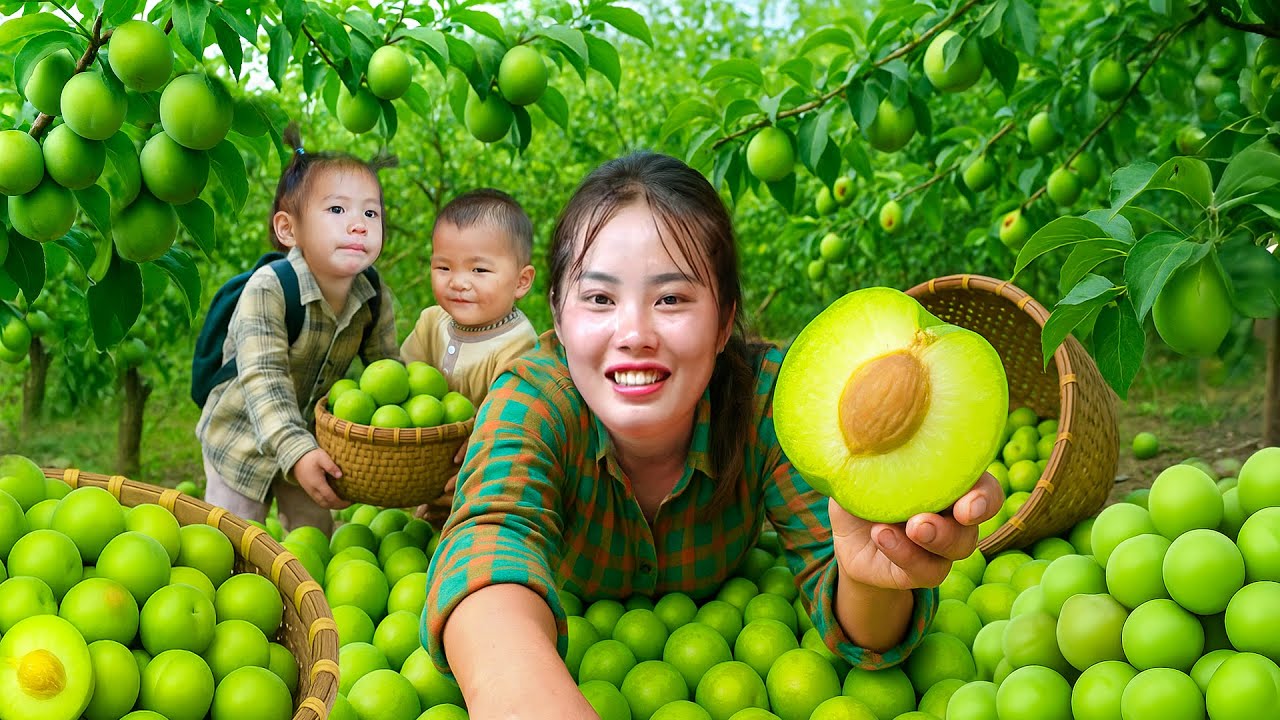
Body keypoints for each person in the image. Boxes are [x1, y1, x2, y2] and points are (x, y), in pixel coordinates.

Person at [421, 151, 1003, 718]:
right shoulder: (533, 396)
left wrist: (867, 577)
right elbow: (487, 540)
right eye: (599, 298)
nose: (634, 333)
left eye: (671, 299)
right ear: (557, 314)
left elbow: (862, 622)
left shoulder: (768, 399)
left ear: (724, 320)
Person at [195, 126, 399, 534]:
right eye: (337, 211)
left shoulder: (373, 295)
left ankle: (305, 596)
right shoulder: (270, 287)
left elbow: (388, 374)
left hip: (309, 439)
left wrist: (396, 441)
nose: (358, 224)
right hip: (239, 442)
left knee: (314, 538)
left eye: (370, 213)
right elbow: (263, 378)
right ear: (290, 229)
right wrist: (297, 450)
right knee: (230, 540)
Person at [400, 188, 539, 526]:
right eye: (443, 267)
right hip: (420, 466)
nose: (459, 282)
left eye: (479, 270)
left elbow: (512, 424)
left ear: (521, 281)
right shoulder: (432, 322)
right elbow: (401, 383)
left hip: (484, 477)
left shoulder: (518, 346)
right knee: (410, 534)